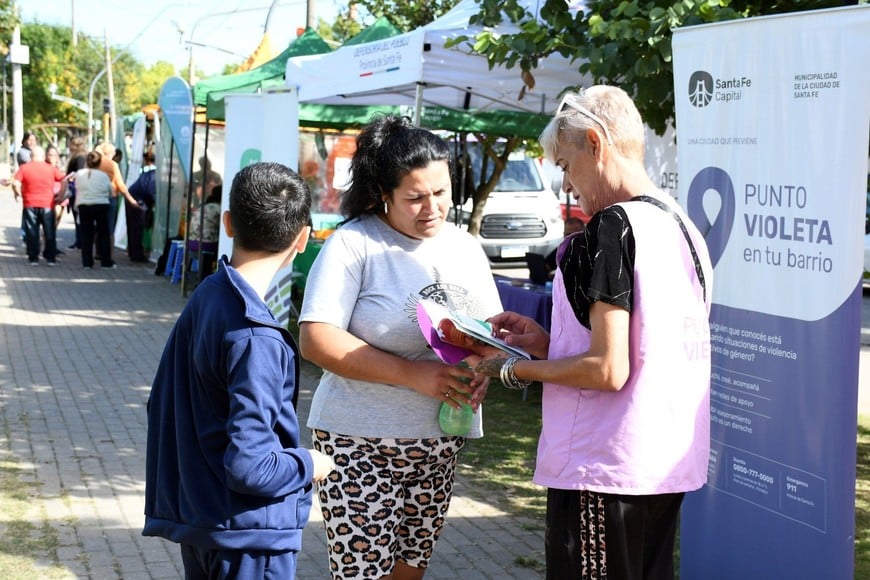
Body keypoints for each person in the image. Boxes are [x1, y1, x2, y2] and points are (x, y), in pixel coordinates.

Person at [470, 86, 714, 580]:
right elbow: (646, 343)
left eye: (564, 164)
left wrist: (513, 370)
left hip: (603, 467)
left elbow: (608, 369)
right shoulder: (682, 226)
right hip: (662, 465)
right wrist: (548, 342)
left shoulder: (614, 226)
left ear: (596, 144)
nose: (565, 183)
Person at [298, 114, 502, 580]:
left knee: (409, 572)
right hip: (358, 443)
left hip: (440, 442)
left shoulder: (465, 248)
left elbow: (487, 330)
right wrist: (414, 375)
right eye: (414, 197)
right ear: (384, 195)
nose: (432, 207)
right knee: (364, 576)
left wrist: (486, 365)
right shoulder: (354, 244)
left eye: (441, 192)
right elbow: (316, 337)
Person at [143, 162, 335, 579]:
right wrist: (310, 464)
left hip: (207, 521)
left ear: (227, 223)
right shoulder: (257, 338)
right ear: (303, 239)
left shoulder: (209, 294)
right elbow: (252, 466)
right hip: (249, 537)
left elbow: (161, 402)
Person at [12, 145, 67, 266]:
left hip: (29, 203)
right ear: (43, 156)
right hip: (48, 203)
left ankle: (33, 258)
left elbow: (16, 183)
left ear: (31, 156)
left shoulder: (24, 168)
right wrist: (60, 196)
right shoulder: (50, 169)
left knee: (32, 230)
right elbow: (64, 180)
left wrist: (18, 193)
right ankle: (50, 258)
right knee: (49, 231)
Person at [73, 151, 117, 269]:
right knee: (104, 233)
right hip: (100, 204)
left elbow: (77, 187)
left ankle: (87, 262)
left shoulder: (79, 174)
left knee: (86, 234)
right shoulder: (104, 176)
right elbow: (110, 192)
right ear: (100, 162)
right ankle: (106, 261)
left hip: (83, 205)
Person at [126, 147, 157, 263]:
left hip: (134, 198)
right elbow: (151, 191)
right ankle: (137, 255)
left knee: (134, 228)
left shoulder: (148, 172)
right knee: (137, 228)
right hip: (137, 201)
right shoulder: (154, 174)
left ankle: (134, 253)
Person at [65, 137, 88, 250]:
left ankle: (80, 241)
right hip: (77, 191)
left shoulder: (79, 158)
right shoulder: (81, 157)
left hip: (77, 192)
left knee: (78, 217)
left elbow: (79, 174)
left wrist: (70, 177)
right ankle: (80, 241)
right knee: (79, 217)